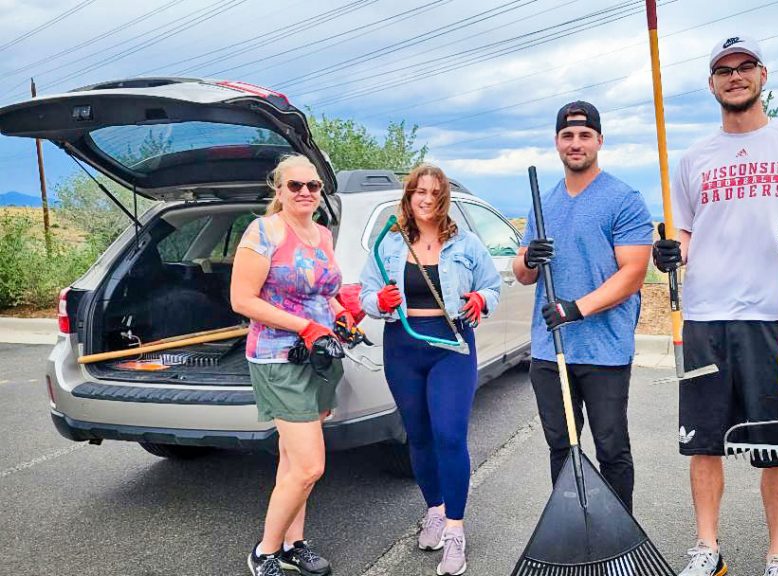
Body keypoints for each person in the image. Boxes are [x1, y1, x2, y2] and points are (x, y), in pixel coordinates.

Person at [652, 36, 778, 576]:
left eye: (745, 67)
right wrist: (670, 252)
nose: (735, 76)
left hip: (776, 315)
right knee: (703, 442)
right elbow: (684, 232)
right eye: (723, 70)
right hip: (705, 317)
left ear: (763, 76)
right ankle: (708, 547)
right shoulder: (692, 158)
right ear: (711, 84)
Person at [358, 164, 501, 576]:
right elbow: (368, 292)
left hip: (451, 345)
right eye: (420, 192)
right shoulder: (388, 242)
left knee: (449, 435)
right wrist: (378, 302)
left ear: (444, 200)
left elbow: (492, 285)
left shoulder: (466, 243)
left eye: (435, 194)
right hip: (403, 346)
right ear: (409, 195)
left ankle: (455, 530)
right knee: (418, 436)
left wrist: (480, 299)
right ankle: (434, 510)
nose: (427, 199)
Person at [513, 101, 653, 512]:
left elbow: (632, 273)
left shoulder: (623, 198)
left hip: (604, 350)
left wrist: (577, 309)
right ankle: (575, 527)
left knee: (611, 447)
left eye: (584, 135)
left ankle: (619, 532)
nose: (576, 144)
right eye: (568, 135)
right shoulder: (545, 201)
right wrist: (528, 259)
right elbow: (523, 273)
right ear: (557, 142)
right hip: (548, 349)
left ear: (599, 140)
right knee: (561, 445)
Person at [231, 154, 356, 576]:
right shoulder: (263, 231)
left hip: (320, 356)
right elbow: (243, 300)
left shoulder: (321, 233)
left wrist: (341, 311)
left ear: (321, 192)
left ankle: (291, 544)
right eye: (295, 186)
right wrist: (306, 327)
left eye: (313, 186)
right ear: (278, 190)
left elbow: (323, 291)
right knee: (309, 466)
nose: (304, 192)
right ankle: (264, 552)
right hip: (277, 357)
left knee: (291, 461)